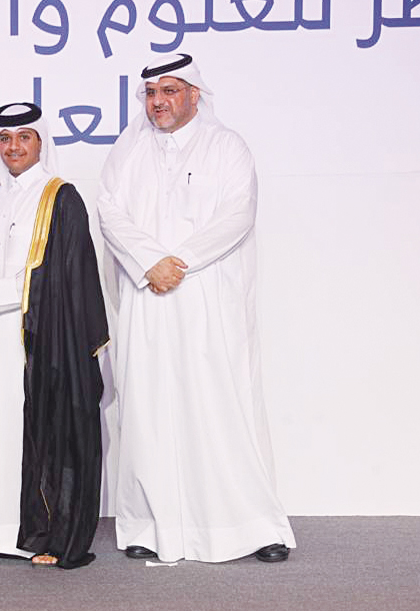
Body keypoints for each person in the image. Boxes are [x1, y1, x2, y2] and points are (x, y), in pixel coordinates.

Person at [97, 53, 296, 563]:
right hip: (148, 297)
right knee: (147, 406)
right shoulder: (127, 151)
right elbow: (110, 212)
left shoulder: (226, 146)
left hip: (206, 295)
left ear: (193, 94)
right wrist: (149, 262)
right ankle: (147, 525)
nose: (158, 102)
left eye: (169, 91)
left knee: (220, 404)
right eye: (150, 93)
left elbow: (238, 214)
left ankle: (252, 525)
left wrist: (177, 261)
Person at [0, 102, 108, 569]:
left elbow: (63, 278)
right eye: (5, 139)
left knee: (37, 431)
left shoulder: (62, 198)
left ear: (41, 143)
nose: (13, 147)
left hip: (43, 342)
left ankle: (44, 535)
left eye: (24, 137)